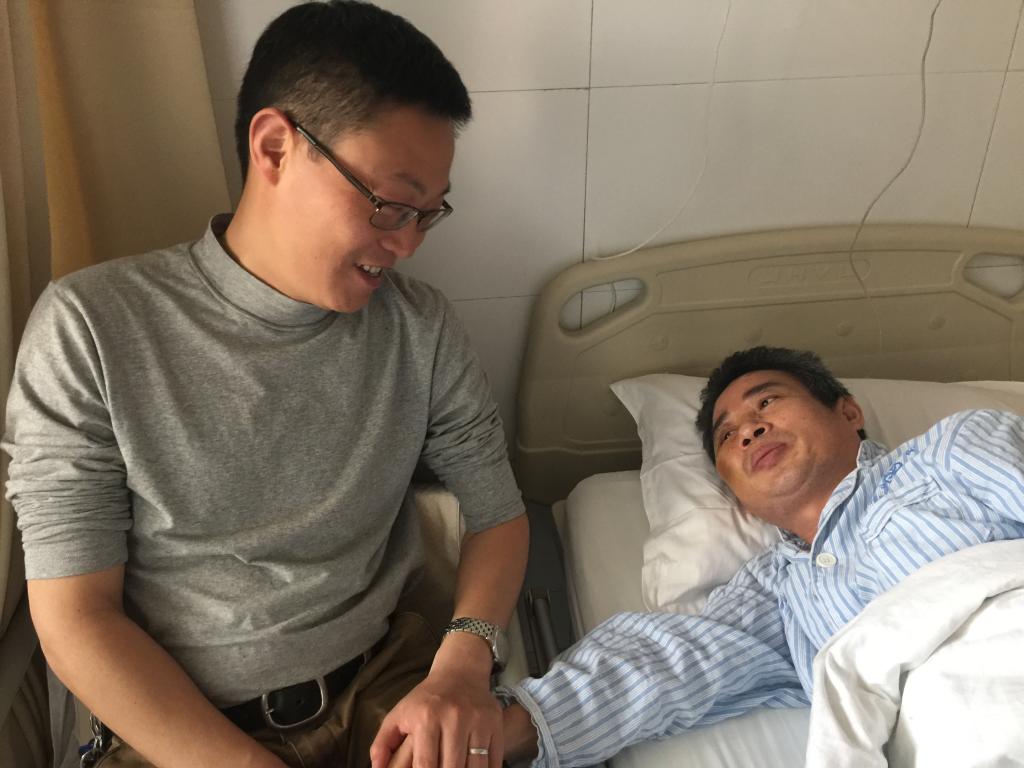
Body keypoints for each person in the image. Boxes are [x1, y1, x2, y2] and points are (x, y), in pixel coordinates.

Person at [2, 3, 528, 768]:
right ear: (276, 147)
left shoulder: (420, 328)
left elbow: (498, 512)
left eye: (428, 214)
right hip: (183, 727)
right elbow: (75, 617)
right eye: (390, 204)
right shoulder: (90, 330)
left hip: (386, 688)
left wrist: (463, 665)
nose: (407, 244)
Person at [473, 346, 1024, 767]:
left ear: (849, 411)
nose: (751, 429)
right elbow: (668, 664)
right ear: (736, 496)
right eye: (727, 435)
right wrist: (496, 732)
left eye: (768, 402)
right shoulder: (779, 595)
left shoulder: (949, 454)